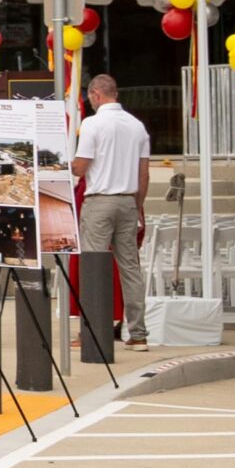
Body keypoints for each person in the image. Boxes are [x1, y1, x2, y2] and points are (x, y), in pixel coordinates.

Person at [72, 71, 152, 347]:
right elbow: (144, 174)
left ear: (96, 94)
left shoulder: (92, 124)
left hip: (100, 199)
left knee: (93, 267)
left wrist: (65, 165)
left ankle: (93, 330)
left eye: (90, 98)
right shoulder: (137, 126)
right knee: (130, 268)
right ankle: (138, 333)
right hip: (128, 200)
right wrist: (137, 205)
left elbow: (81, 166)